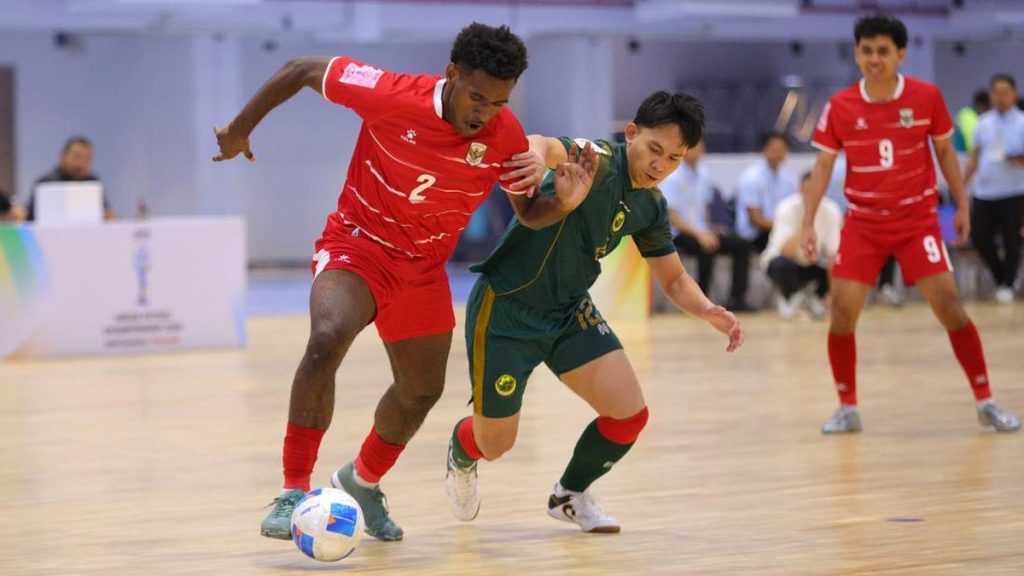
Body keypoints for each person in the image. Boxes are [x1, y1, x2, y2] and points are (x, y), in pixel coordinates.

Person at [214, 23, 596, 542]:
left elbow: (528, 213)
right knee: (328, 336)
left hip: (423, 270)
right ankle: (293, 490)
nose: (484, 113)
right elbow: (300, 69)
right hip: (359, 245)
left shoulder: (504, 134)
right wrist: (239, 130)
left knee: (421, 390)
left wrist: (565, 203)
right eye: (477, 97)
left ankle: (362, 480)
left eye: (498, 102)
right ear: (452, 74)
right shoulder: (391, 94)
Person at [443, 91, 744, 533]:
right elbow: (542, 143)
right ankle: (461, 448)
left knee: (629, 414)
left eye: (674, 159)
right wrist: (533, 159)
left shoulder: (651, 205)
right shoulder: (596, 159)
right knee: (495, 444)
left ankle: (569, 494)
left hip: (569, 311)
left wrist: (709, 310)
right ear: (631, 134)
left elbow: (675, 279)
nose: (660, 165)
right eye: (655, 149)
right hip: (507, 308)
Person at [800, 15, 1020, 434]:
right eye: (867, 51)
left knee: (950, 308)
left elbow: (946, 153)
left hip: (916, 220)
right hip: (863, 223)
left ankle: (986, 401)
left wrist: (962, 204)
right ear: (856, 54)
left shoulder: (926, 97)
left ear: (901, 54)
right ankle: (847, 407)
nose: (874, 59)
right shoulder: (840, 105)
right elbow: (823, 166)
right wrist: (808, 222)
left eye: (883, 51)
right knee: (841, 313)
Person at [662, 139, 753, 311]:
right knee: (706, 246)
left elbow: (704, 208)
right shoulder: (672, 176)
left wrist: (711, 227)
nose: (696, 152)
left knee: (741, 245)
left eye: (700, 148)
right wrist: (699, 234)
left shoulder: (704, 175)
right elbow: (672, 217)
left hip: (702, 230)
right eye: (692, 148)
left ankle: (737, 299)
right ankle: (700, 301)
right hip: (680, 233)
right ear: (683, 151)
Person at [963, 74, 1024, 305]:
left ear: (1014, 94)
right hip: (984, 192)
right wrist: (962, 185)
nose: (1000, 97)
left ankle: (1008, 283)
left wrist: (1018, 160)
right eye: (996, 93)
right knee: (979, 236)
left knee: (1011, 239)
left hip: (1014, 192)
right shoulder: (983, 122)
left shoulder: (1021, 122)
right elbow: (974, 157)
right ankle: (1000, 278)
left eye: (1005, 93)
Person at [761, 172, 842, 320]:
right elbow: (785, 250)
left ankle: (817, 299)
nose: (811, 196)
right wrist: (806, 222)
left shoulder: (832, 211)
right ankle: (790, 297)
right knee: (781, 265)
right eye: (807, 191)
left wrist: (833, 294)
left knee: (840, 266)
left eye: (815, 191)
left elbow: (833, 254)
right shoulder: (786, 208)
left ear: (823, 191)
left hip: (816, 262)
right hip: (787, 261)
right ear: (799, 189)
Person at [735, 131, 797, 252]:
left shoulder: (788, 178)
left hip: (778, 230)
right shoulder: (752, 177)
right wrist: (784, 227)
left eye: (782, 150)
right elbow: (755, 219)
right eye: (774, 150)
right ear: (764, 150)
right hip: (755, 235)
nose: (778, 154)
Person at [27, 136, 114, 221]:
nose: (80, 164)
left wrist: (108, 216)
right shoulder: (46, 183)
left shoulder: (94, 182)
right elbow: (30, 218)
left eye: (86, 159)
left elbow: (106, 212)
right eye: (77, 157)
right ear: (63, 155)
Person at [953, 89, 990, 153]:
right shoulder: (971, 118)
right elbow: (972, 146)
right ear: (981, 105)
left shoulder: (964, 113)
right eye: (988, 108)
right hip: (964, 155)